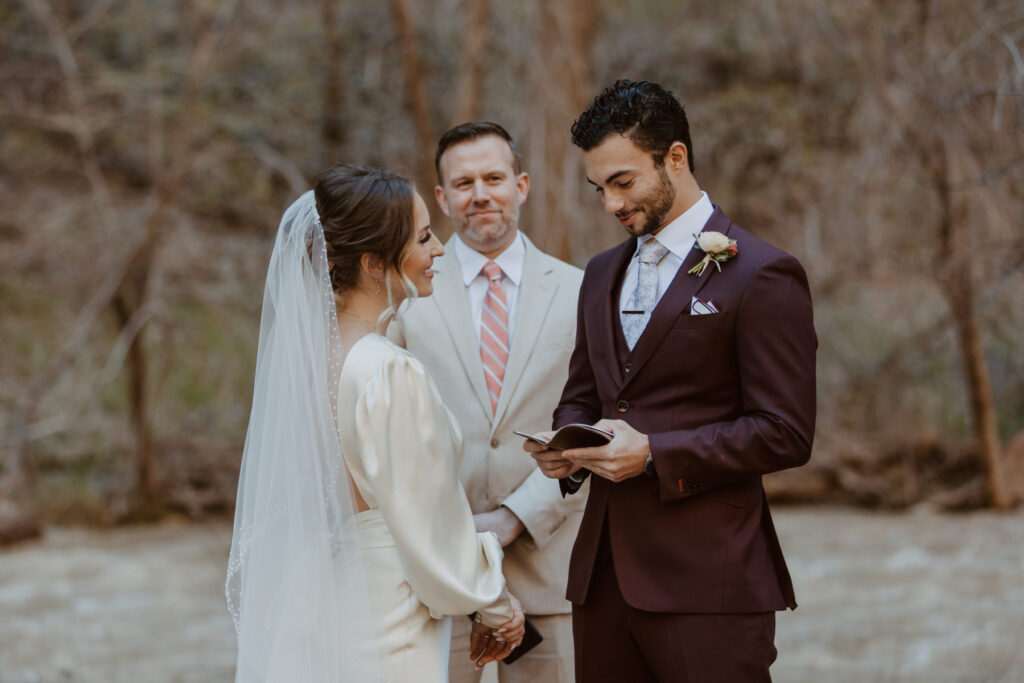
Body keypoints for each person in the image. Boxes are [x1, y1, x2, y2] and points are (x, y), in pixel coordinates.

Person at [526, 80, 817, 682]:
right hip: (601, 581)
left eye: (623, 182)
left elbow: (785, 432)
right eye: (598, 188)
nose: (609, 204)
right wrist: (568, 449)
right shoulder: (602, 273)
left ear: (675, 159)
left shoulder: (763, 273)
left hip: (708, 582)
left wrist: (655, 453)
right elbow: (585, 393)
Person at [226, 164, 526, 683]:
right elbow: (429, 525)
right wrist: (497, 608)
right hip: (389, 616)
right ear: (372, 262)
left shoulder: (307, 361)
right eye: (425, 237)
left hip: (327, 602)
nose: (439, 251)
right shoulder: (386, 369)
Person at [390, 121, 584, 683]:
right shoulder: (407, 295)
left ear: (521, 185)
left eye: (494, 178)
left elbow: (596, 425)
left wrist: (516, 516)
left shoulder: (580, 290)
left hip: (551, 573)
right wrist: (448, 529)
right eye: (464, 182)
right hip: (436, 579)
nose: (480, 194)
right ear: (442, 198)